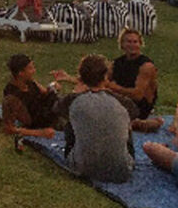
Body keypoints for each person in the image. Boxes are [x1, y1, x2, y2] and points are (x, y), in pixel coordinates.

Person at [55, 54, 138, 183]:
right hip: (122, 170)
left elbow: (57, 109)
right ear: (105, 77)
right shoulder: (121, 101)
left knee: (72, 121)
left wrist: (75, 92)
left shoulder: (73, 99)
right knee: (124, 121)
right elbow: (134, 111)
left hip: (82, 167)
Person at [106, 28, 163, 132]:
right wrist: (70, 79)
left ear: (140, 44)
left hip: (138, 107)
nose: (132, 45)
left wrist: (114, 88)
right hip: (120, 102)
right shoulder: (116, 63)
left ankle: (144, 123)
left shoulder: (146, 66)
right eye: (128, 41)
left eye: (135, 42)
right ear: (122, 44)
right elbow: (99, 82)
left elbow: (138, 95)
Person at [0, 54, 60, 139]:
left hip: (50, 110)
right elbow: (9, 128)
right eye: (30, 68)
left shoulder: (29, 82)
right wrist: (40, 133)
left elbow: (45, 93)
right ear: (21, 73)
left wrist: (53, 87)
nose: (34, 71)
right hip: (40, 121)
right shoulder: (11, 97)